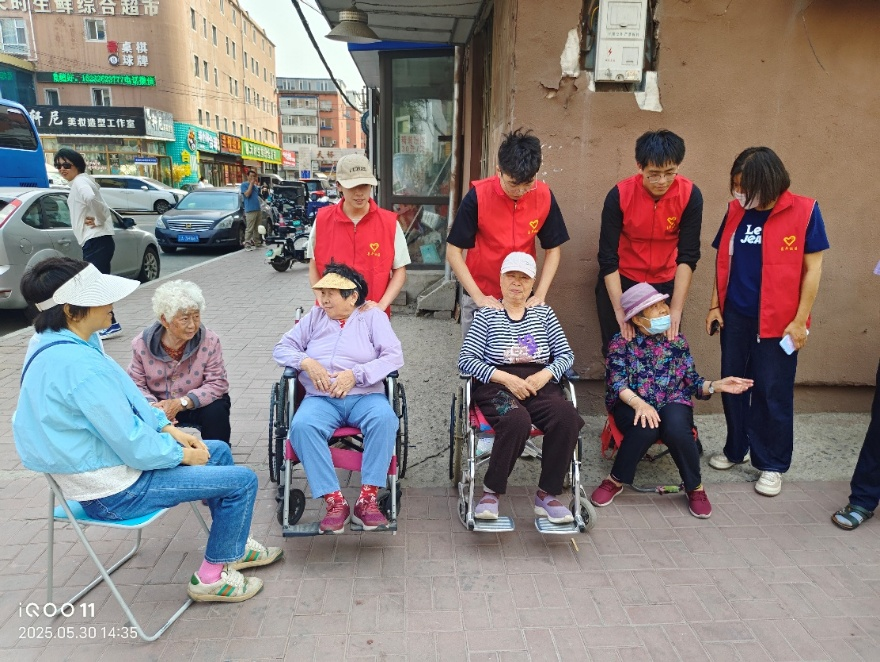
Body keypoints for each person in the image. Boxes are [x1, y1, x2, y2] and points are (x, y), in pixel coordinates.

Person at [12, 257, 281, 603]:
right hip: (114, 492)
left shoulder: (56, 342)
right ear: (71, 310)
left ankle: (234, 546)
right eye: (100, 298)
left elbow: (128, 401)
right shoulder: (80, 367)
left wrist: (167, 428)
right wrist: (181, 454)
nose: (111, 304)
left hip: (105, 472)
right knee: (242, 481)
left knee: (219, 451)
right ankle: (211, 578)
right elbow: (133, 445)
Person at [706, 146, 829, 497]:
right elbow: (723, 261)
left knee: (772, 393)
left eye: (745, 186)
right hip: (736, 316)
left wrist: (800, 321)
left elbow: (813, 269)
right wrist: (715, 306)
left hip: (780, 323)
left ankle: (772, 463)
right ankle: (736, 449)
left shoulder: (805, 211)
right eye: (736, 185)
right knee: (733, 385)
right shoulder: (735, 212)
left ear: (768, 182)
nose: (739, 192)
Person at [590, 283, 754, 518]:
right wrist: (640, 404)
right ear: (637, 319)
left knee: (676, 428)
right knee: (646, 427)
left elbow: (691, 381)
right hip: (631, 401)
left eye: (663, 304)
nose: (664, 310)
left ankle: (695, 487)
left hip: (672, 399)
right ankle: (615, 480)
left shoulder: (676, 340)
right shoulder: (621, 342)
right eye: (654, 307)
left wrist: (716, 386)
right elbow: (617, 383)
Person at [273, 262, 404, 533]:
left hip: (365, 395)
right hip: (321, 398)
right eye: (322, 293)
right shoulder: (315, 317)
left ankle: (367, 500)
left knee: (385, 419)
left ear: (352, 296)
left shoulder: (373, 317)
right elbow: (282, 348)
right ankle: (335, 502)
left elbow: (393, 357)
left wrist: (356, 375)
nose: (324, 299)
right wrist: (306, 361)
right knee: (301, 426)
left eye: (331, 293)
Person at [457, 252, 583, 523]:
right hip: (496, 388)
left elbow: (566, 355)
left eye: (524, 278)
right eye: (511, 276)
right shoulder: (486, 315)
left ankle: (547, 495)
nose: (517, 283)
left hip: (539, 384)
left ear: (532, 283)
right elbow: (466, 360)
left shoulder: (544, 313)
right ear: (501, 280)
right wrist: (505, 378)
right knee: (516, 419)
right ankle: (491, 492)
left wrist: (546, 374)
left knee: (567, 417)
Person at [447, 129, 571, 338]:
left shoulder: (544, 196)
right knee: (475, 356)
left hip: (521, 296)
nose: (520, 191)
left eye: (528, 184)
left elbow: (553, 250)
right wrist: (478, 297)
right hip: (481, 291)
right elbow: (453, 251)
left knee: (521, 354)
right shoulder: (478, 196)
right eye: (513, 184)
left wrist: (540, 294)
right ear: (499, 171)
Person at [595, 130, 703, 354]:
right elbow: (607, 257)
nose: (662, 181)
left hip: (664, 285)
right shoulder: (619, 195)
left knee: (664, 353)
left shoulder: (690, 195)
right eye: (654, 174)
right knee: (619, 351)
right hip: (624, 282)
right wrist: (619, 310)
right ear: (639, 166)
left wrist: (676, 310)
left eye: (670, 173)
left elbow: (688, 256)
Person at [128, 280, 232, 445]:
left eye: (196, 317)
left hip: (195, 403)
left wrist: (182, 403)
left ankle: (217, 454)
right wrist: (154, 406)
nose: (192, 325)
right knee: (135, 412)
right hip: (158, 404)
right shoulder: (141, 344)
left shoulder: (210, 340)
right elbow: (135, 385)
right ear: (165, 320)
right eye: (184, 319)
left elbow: (217, 383)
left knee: (217, 409)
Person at [307, 154, 410, 314]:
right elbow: (313, 264)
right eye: (352, 186)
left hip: (372, 316)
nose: (359, 192)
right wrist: (321, 299)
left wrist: (381, 306)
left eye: (364, 185)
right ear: (339, 185)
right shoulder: (322, 220)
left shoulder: (389, 223)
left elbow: (400, 270)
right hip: (330, 317)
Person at [54, 147, 122, 340]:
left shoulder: (80, 182)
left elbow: (91, 198)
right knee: (96, 282)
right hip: (97, 240)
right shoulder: (81, 181)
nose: (62, 169)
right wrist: (99, 219)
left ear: (77, 165)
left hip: (96, 240)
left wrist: (99, 220)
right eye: (58, 166)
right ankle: (108, 323)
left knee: (94, 284)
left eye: (66, 165)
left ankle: (111, 324)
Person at [240, 170, 262, 250]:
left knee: (257, 228)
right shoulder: (244, 185)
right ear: (248, 176)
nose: (253, 178)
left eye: (254, 176)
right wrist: (251, 184)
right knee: (250, 228)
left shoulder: (256, 187)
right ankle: (247, 244)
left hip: (257, 209)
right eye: (251, 176)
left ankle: (257, 243)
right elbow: (247, 194)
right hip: (250, 209)